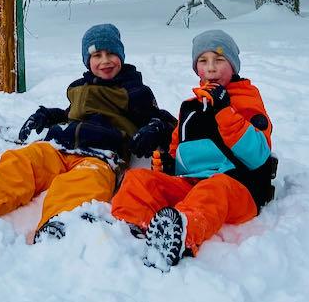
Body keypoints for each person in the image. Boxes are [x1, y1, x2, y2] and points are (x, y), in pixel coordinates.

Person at [0, 23, 176, 244]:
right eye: (96, 55)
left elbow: (163, 119)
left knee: (83, 183)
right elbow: (72, 114)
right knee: (22, 162)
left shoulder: (134, 90)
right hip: (58, 145)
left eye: (110, 54)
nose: (105, 61)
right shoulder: (80, 88)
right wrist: (50, 115)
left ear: (121, 56)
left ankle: (59, 222)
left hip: (101, 154)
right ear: (87, 60)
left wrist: (153, 129)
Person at [111, 29, 276, 271]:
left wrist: (224, 111)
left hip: (237, 188)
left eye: (219, 60)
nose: (211, 68)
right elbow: (179, 151)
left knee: (213, 188)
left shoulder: (246, 99)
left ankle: (183, 233)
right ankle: (129, 229)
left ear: (234, 66)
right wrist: (166, 164)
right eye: (203, 61)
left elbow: (257, 154)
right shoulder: (190, 108)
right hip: (192, 186)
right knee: (139, 180)